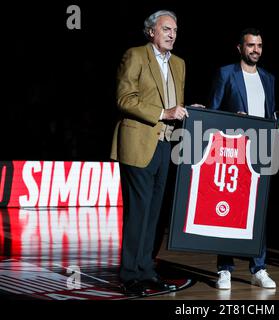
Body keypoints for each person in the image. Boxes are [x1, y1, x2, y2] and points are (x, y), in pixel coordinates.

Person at [209, 28, 279, 290]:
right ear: (240, 48)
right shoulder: (225, 73)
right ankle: (225, 269)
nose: (256, 50)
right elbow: (213, 112)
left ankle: (259, 268)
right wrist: (234, 119)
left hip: (261, 153)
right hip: (232, 152)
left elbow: (272, 118)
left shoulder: (268, 78)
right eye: (251, 45)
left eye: (259, 46)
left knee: (258, 213)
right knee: (229, 211)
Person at [110, 10, 189, 296]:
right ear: (150, 32)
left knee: (154, 214)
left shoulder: (179, 64)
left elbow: (174, 104)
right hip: (138, 143)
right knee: (138, 212)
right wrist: (163, 112)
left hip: (165, 145)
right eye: (166, 29)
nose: (172, 34)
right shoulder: (135, 55)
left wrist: (189, 111)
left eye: (175, 30)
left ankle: (146, 270)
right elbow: (124, 98)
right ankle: (130, 275)